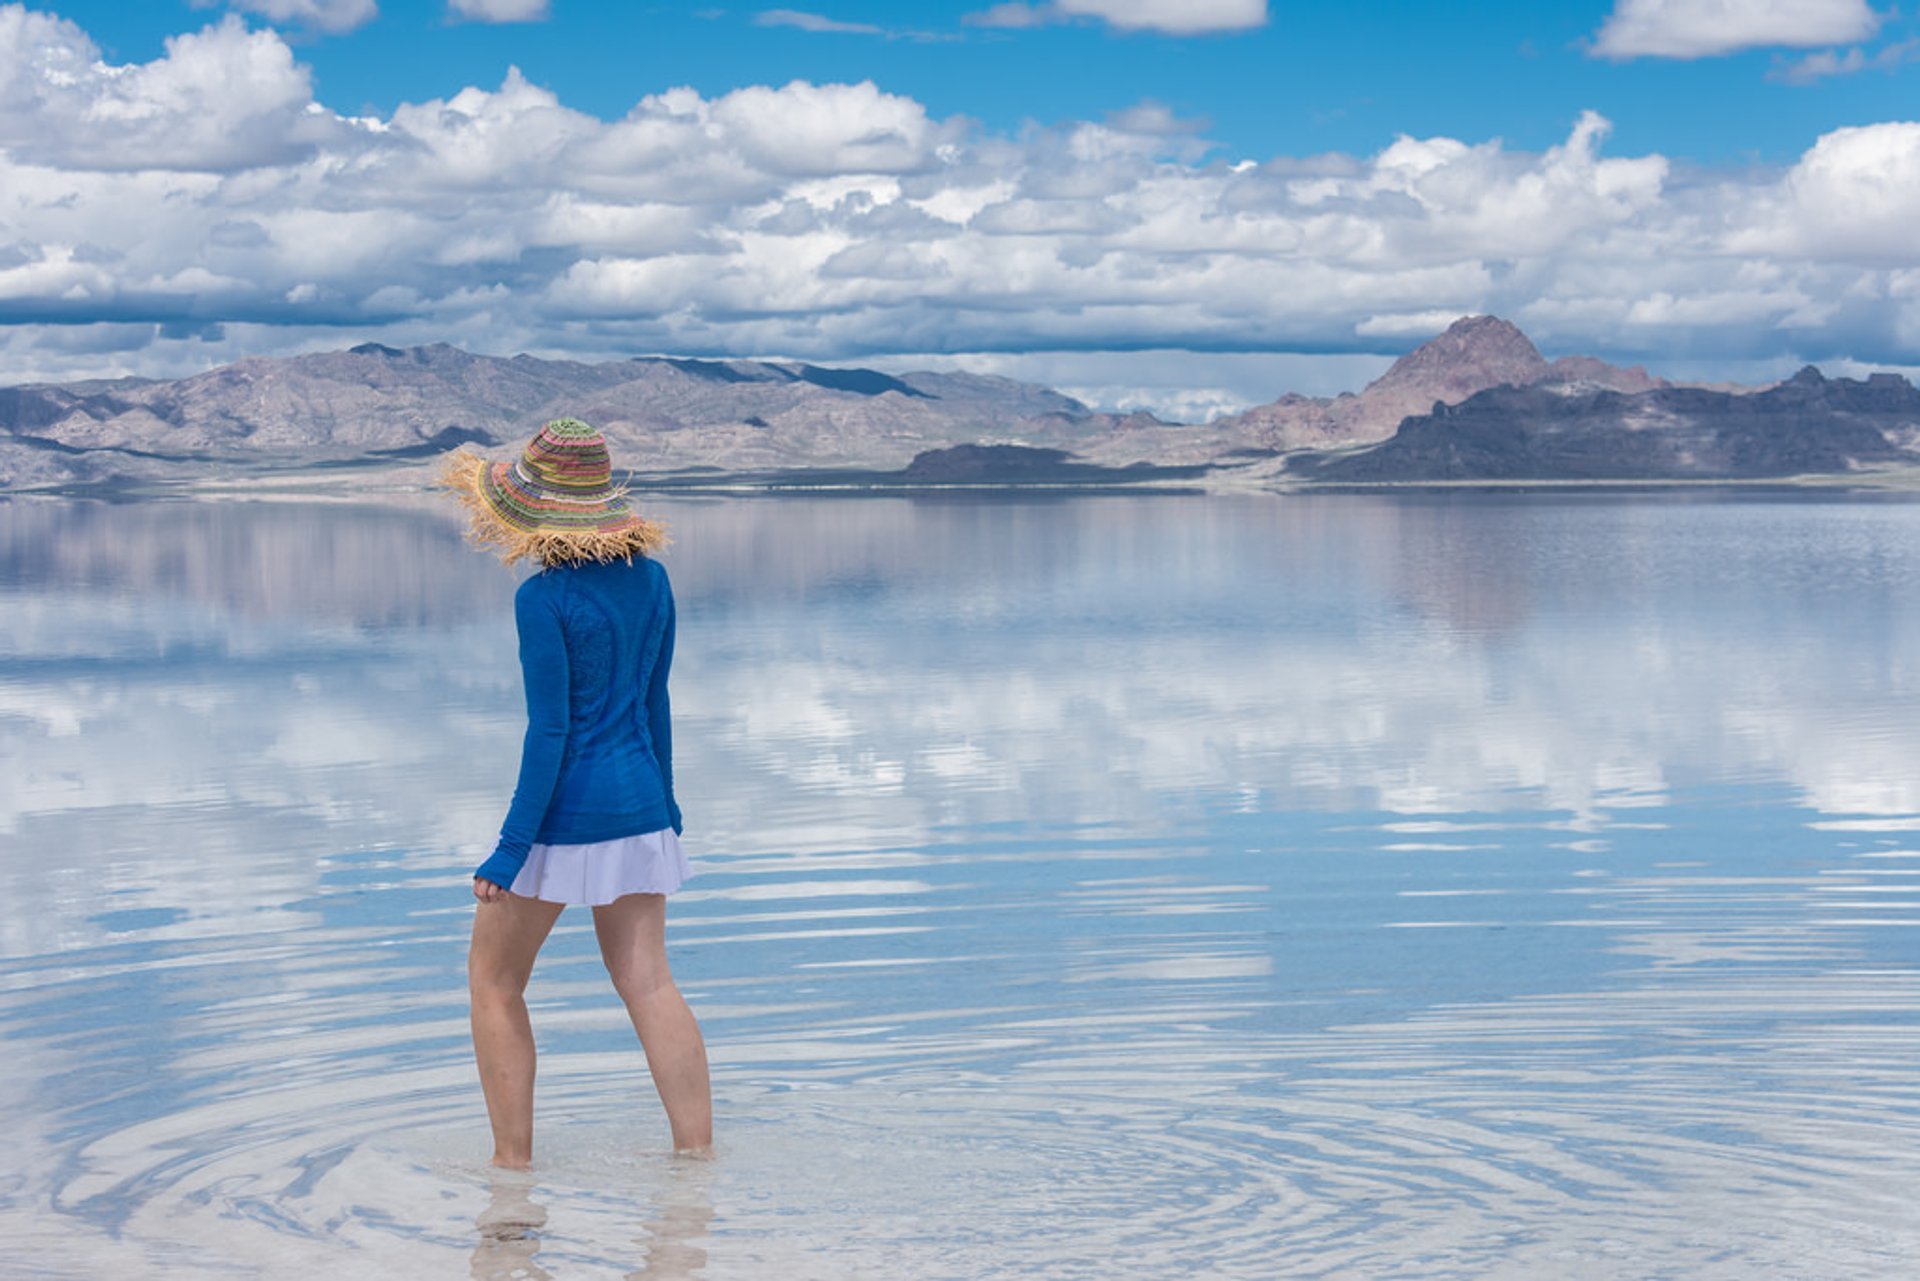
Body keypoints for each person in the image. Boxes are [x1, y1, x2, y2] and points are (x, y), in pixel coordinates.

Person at [441, 417, 711, 1166]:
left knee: (492, 980)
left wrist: (509, 849)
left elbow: (551, 735)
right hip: (641, 808)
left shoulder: (543, 598)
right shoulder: (652, 580)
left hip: (568, 815)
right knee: (649, 982)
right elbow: (655, 702)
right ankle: (698, 1163)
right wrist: (667, 806)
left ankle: (511, 1170)